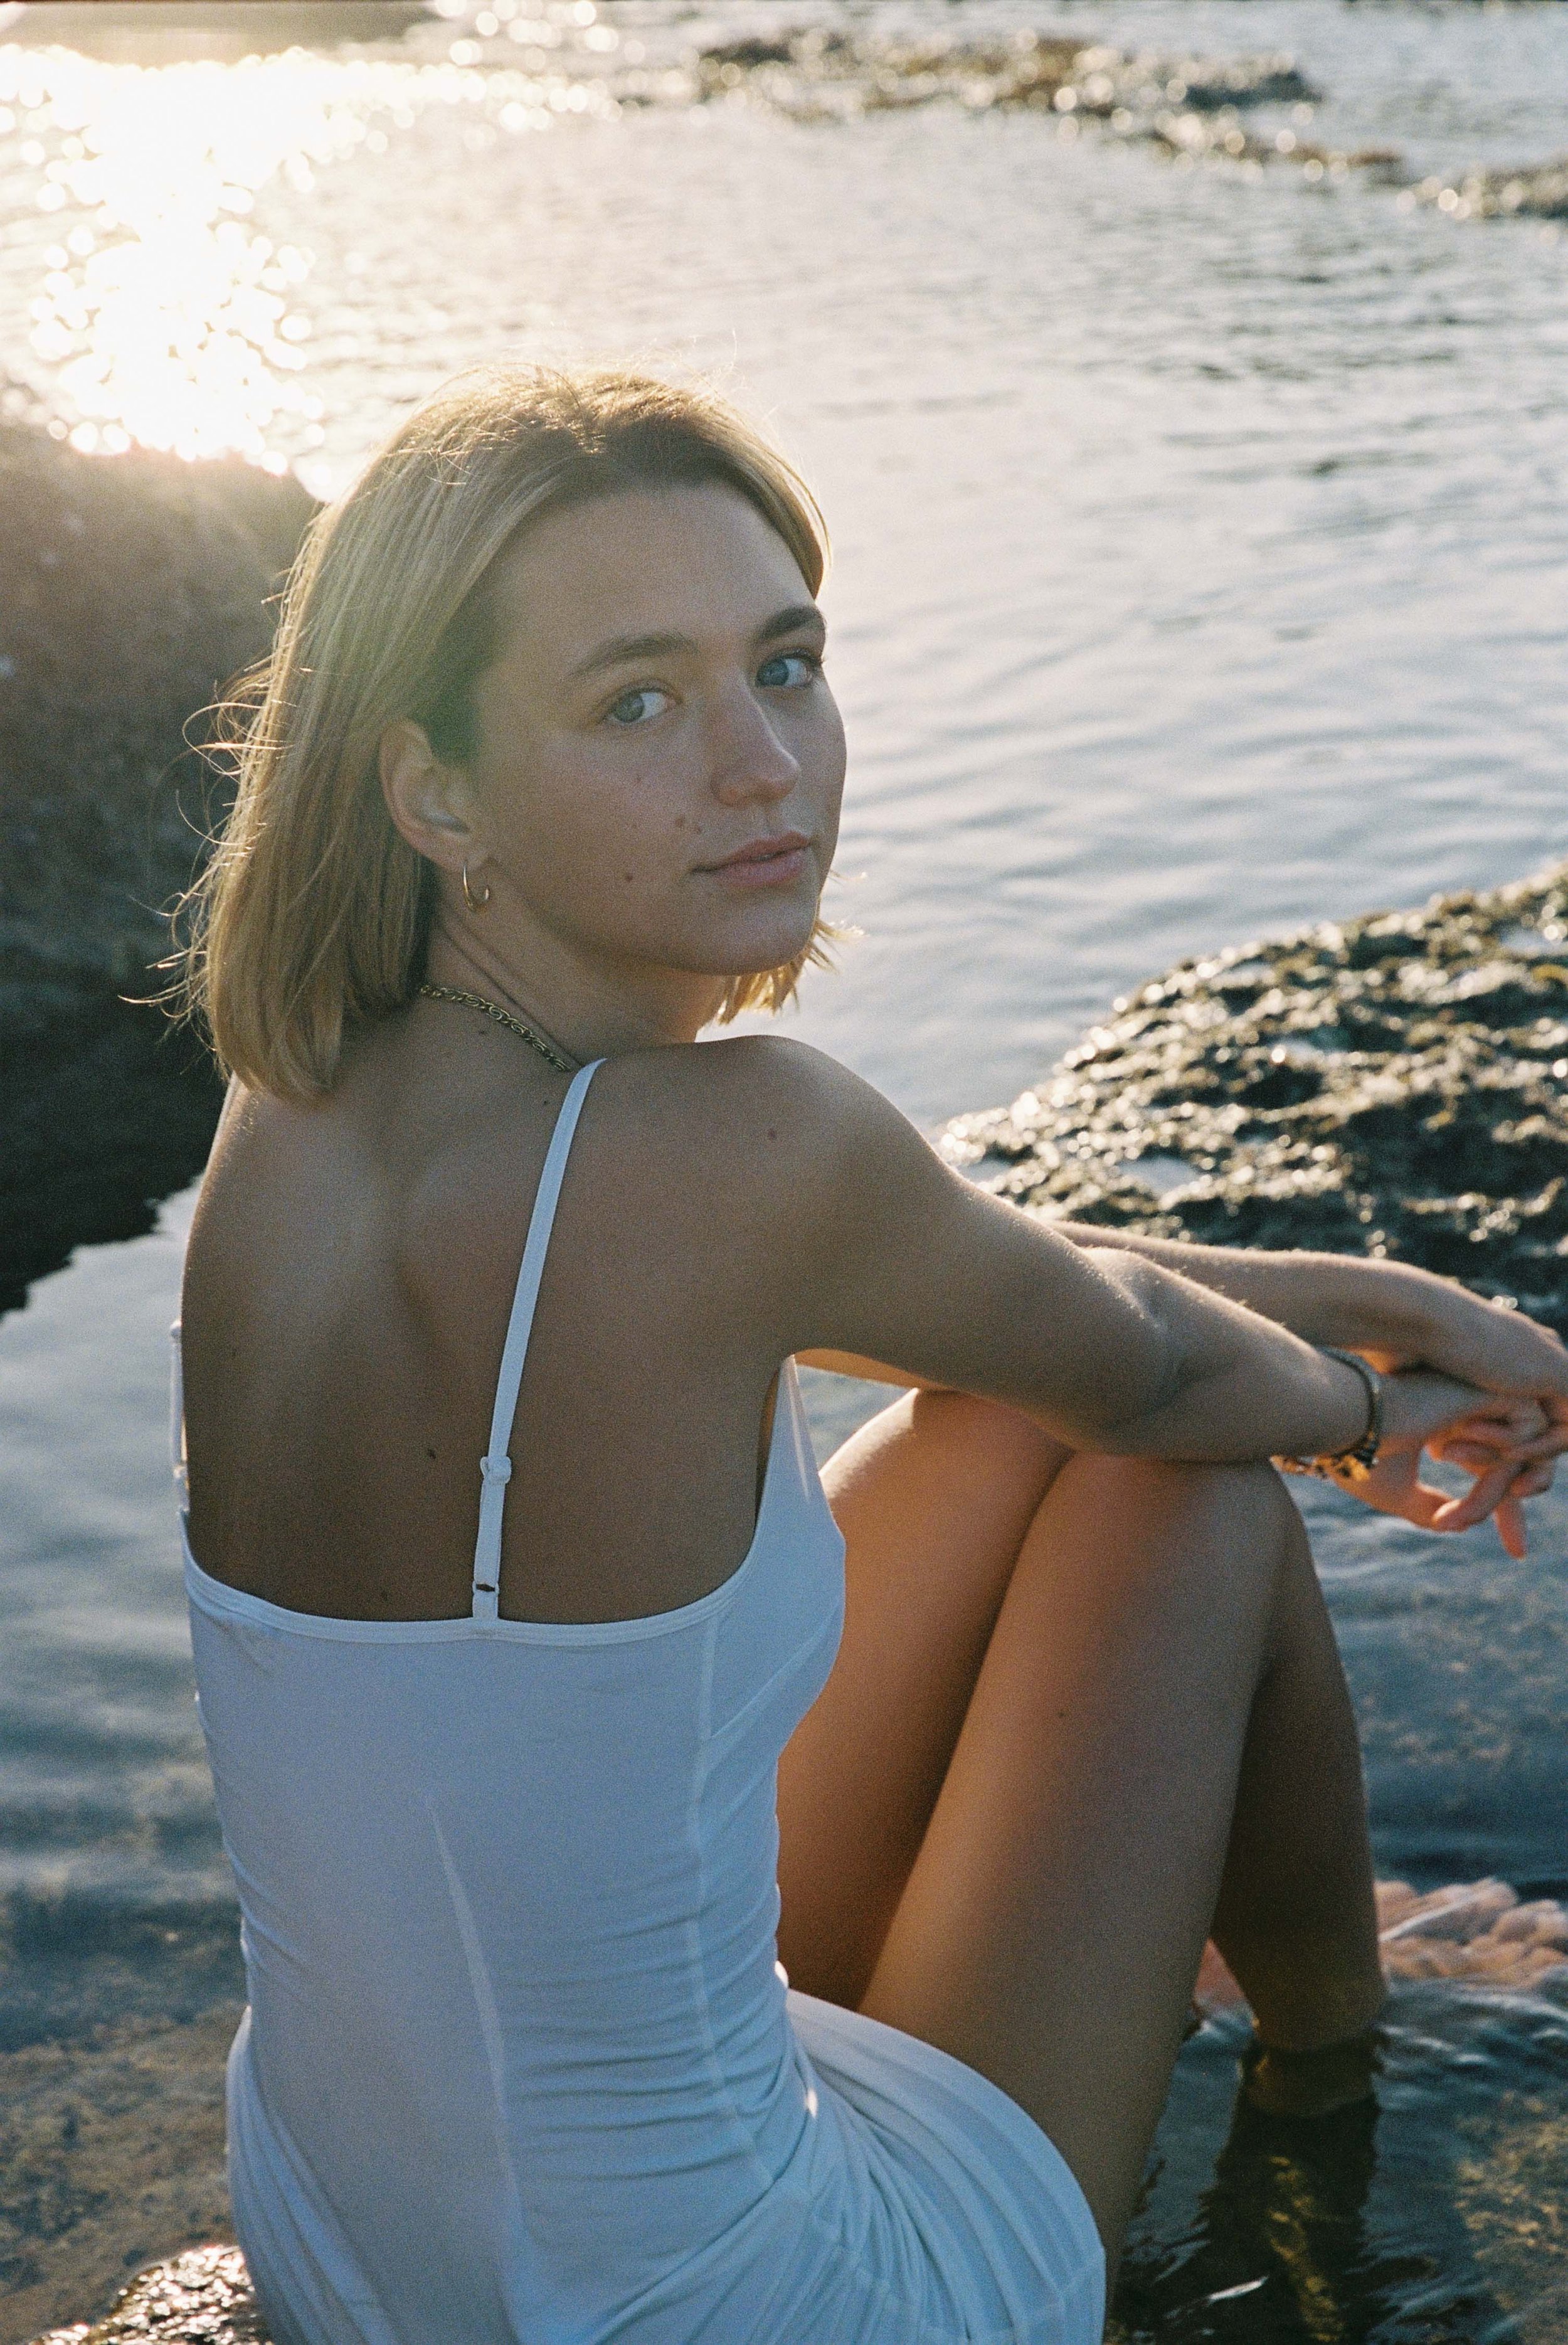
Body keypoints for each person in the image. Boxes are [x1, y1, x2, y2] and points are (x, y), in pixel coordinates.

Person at [172, 365, 1567, 2345]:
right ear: (433, 788)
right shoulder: (745, 1146)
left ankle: (1239, 1974)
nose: (761, 765)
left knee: (1005, 1428)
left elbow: (975, 1287)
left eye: (788, 664)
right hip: (735, 2306)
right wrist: (1365, 1409)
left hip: (356, 2254)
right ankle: (1340, 2064)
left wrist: (1348, 1285)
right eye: (637, 701)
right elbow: (1150, 1380)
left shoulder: (295, 1114)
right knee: (1182, 1494)